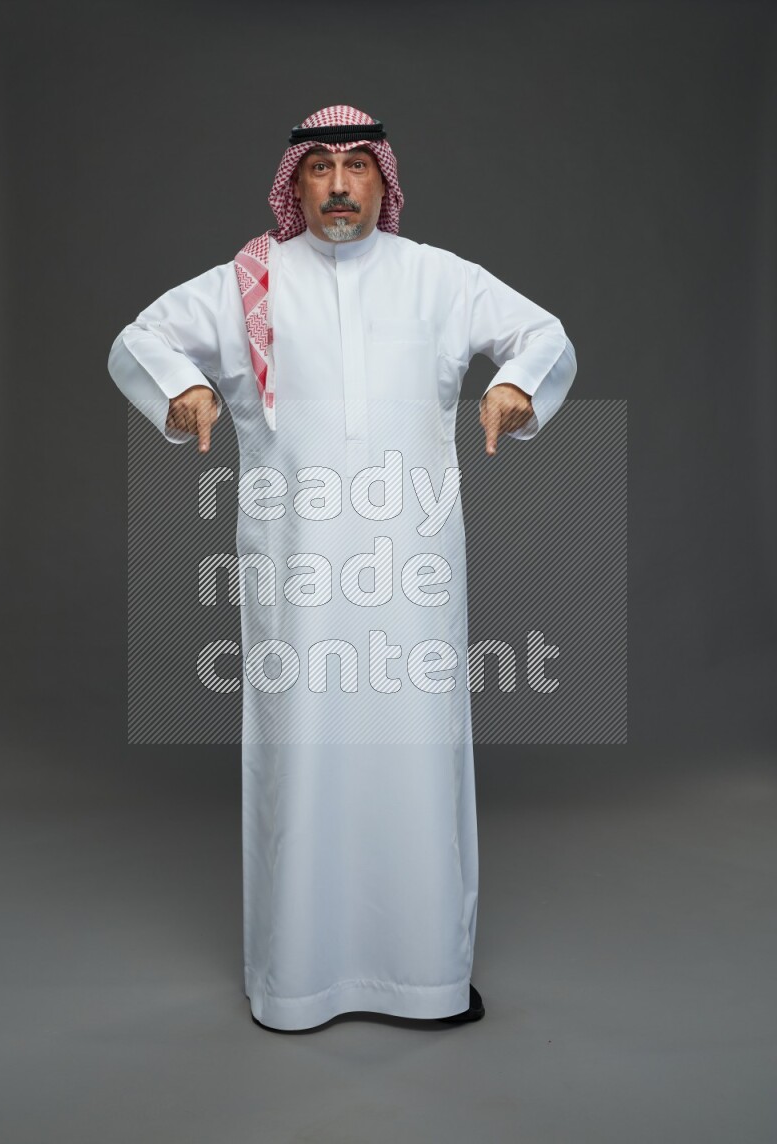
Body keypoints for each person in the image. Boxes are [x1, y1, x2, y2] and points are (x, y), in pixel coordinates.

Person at [107, 104, 577, 1032]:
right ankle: (297, 981)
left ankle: (426, 977)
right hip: (298, 570)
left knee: (420, 752)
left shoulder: (438, 278)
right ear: (294, 183)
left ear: (382, 180)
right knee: (303, 751)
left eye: (356, 165)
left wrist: (515, 387)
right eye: (318, 167)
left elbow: (544, 336)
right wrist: (186, 387)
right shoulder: (249, 282)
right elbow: (138, 341)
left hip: (412, 569)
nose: (337, 184)